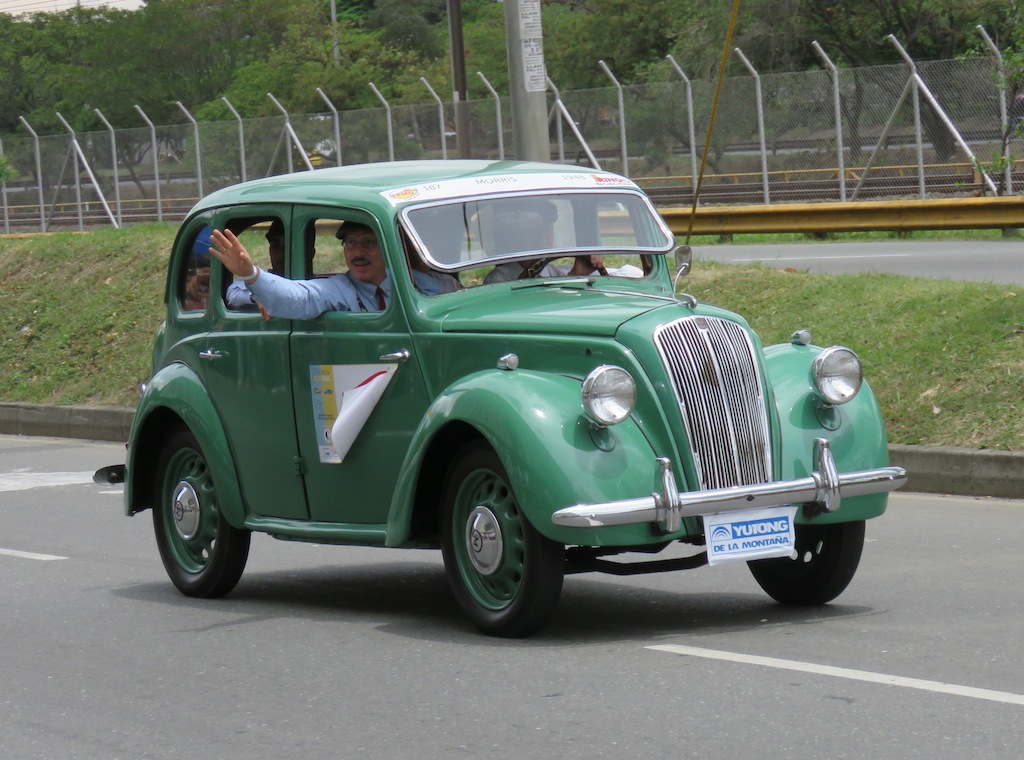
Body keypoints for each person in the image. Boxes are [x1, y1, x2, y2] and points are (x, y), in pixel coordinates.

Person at [208, 220, 442, 320]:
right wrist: (251, 275)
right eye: (350, 243)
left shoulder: (420, 284)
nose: (357, 252)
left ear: (390, 249)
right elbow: (299, 297)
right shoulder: (338, 289)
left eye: (369, 243)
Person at [481, 198, 604, 284]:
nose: (542, 237)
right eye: (534, 231)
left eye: (547, 230)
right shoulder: (499, 280)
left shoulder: (557, 273)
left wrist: (578, 273)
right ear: (514, 238)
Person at [224, 219, 310, 310]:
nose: (281, 254)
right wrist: (259, 295)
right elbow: (233, 293)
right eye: (276, 246)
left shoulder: (316, 288)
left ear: (310, 251)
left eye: (289, 247)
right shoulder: (264, 281)